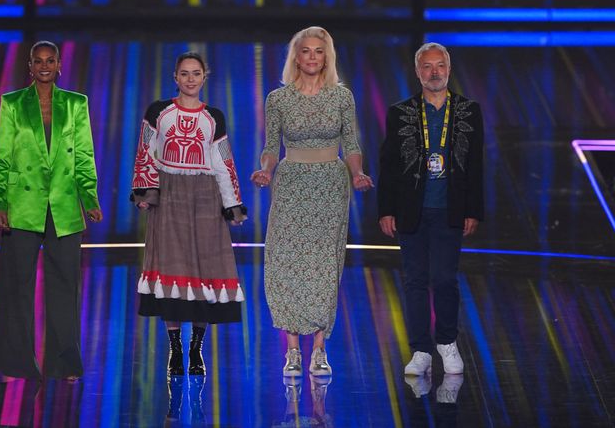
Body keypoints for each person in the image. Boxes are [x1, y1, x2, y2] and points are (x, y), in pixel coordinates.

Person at [251, 26, 373, 378]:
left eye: (319, 51)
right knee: (288, 262)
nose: (312, 57)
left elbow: (350, 144)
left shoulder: (341, 98)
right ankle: (292, 351)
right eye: (306, 51)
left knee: (324, 264)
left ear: (326, 57)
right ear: (296, 56)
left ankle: (319, 349)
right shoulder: (279, 99)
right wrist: (266, 171)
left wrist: (357, 174)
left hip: (329, 187)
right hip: (292, 185)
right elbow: (271, 146)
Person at [0, 40, 103, 380]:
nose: (43, 65)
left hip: (64, 206)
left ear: (58, 66)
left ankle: (64, 362)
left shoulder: (75, 104)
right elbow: (1, 158)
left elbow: (83, 156)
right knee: (17, 286)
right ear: (29, 65)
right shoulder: (12, 103)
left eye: (50, 60)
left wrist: (90, 198)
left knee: (65, 287)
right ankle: (15, 363)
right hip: (22, 207)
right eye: (38, 60)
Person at [131, 51, 247, 378]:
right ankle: (175, 348)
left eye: (196, 73)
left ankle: (196, 348)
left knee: (203, 272)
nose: (191, 79)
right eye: (185, 73)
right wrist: (145, 192)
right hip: (168, 197)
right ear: (175, 77)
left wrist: (232, 203)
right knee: (173, 268)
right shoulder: (159, 111)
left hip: (205, 198)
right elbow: (146, 152)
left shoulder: (214, 117)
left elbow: (223, 162)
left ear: (205, 76)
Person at [377, 42, 484, 376]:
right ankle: (421, 349)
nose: (434, 72)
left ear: (449, 70)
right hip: (412, 210)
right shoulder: (401, 112)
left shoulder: (468, 110)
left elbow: (477, 164)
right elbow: (389, 165)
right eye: (427, 66)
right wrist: (386, 209)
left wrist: (473, 210)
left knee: (444, 279)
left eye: (440, 66)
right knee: (415, 281)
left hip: (450, 209)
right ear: (417, 71)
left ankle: (447, 343)